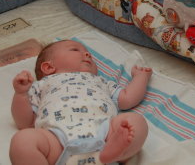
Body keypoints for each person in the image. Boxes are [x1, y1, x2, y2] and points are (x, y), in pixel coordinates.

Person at [10, 40, 152, 165]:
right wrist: (21, 94)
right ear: (48, 67)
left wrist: (140, 77)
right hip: (57, 140)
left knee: (136, 121)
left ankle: (117, 152)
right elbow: (25, 123)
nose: (87, 54)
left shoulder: (101, 82)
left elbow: (128, 98)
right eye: (75, 50)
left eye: (88, 52)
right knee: (22, 141)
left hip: (105, 134)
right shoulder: (42, 85)